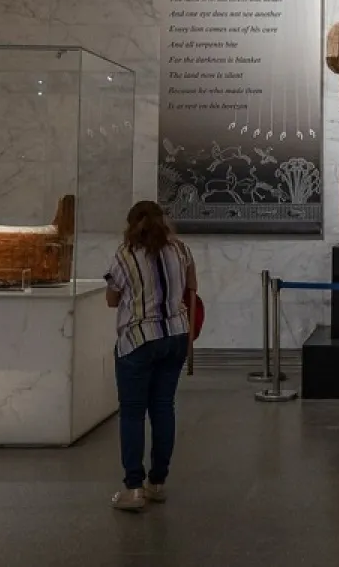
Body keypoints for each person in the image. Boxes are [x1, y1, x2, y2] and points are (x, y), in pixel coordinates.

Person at [105, 200, 197, 511]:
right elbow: (191, 288)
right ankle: (157, 483)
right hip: (175, 336)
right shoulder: (181, 249)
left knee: (132, 413)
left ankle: (133, 488)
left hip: (138, 339)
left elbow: (111, 298)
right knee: (163, 407)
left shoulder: (125, 255)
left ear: (131, 224)